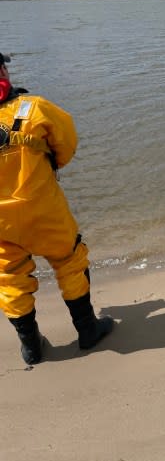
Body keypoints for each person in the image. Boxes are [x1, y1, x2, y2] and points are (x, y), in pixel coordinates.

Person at [0, 52, 113, 365]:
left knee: (9, 277)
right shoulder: (34, 107)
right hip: (43, 208)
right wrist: (46, 168)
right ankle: (88, 330)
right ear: (3, 72)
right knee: (69, 261)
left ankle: (31, 347)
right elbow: (67, 142)